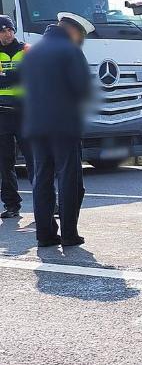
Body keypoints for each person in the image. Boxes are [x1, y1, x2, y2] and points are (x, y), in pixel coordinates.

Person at [21, 13, 93, 247]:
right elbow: (82, 88)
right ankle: (70, 234)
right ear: (73, 31)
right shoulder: (70, 51)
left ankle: (45, 235)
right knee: (68, 179)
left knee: (41, 179)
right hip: (63, 125)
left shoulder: (33, 52)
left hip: (35, 125)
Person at [0, 15, 32, 219]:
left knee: (35, 160)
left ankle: (50, 203)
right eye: (3, 31)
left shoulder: (27, 50)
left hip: (25, 113)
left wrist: (6, 78)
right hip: (2, 113)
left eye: (10, 30)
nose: (7, 34)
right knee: (5, 163)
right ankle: (12, 205)